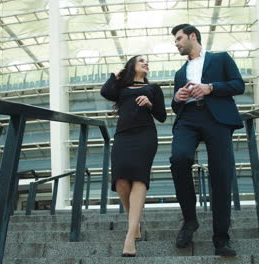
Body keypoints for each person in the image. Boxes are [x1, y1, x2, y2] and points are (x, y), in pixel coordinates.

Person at [169, 24, 245, 256]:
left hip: (217, 119)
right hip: (188, 119)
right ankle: (190, 220)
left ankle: (221, 239)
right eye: (175, 40)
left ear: (193, 36)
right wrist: (177, 96)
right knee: (179, 158)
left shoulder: (220, 58)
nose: (176, 43)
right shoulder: (180, 73)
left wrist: (210, 87)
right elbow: (174, 107)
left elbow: (238, 85)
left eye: (179, 38)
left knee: (221, 175)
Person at [100, 55, 167, 257]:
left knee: (139, 179)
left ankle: (130, 236)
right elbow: (105, 91)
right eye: (141, 61)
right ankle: (134, 222)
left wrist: (150, 104)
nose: (146, 63)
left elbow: (162, 116)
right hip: (123, 136)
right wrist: (117, 75)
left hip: (145, 136)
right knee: (120, 181)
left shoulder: (153, 89)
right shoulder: (121, 89)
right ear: (132, 66)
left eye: (147, 61)